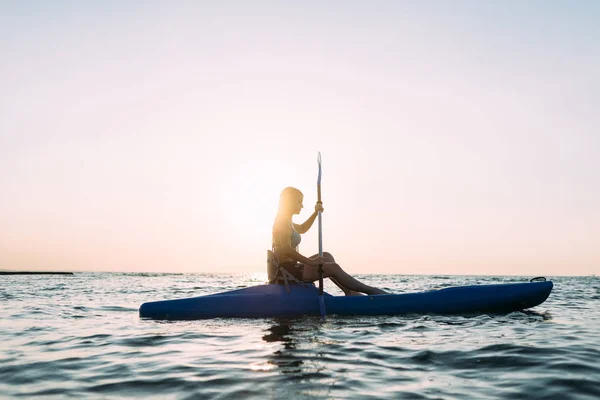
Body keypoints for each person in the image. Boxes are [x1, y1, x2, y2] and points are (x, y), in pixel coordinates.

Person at [270, 186, 387, 295]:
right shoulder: (282, 221)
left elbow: (302, 228)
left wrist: (316, 213)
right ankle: (372, 291)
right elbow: (286, 249)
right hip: (287, 271)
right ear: (290, 202)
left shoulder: (287, 221)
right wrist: (310, 262)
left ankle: (349, 292)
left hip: (292, 267)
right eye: (299, 202)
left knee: (327, 256)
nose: (302, 206)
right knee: (333, 268)